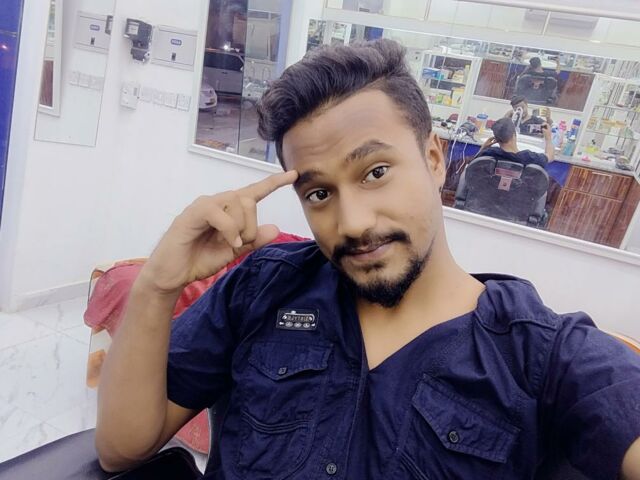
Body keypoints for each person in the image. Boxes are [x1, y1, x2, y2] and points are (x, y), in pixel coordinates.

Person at [95, 39, 640, 480]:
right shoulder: (263, 289)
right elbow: (121, 449)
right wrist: (157, 285)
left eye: (375, 172)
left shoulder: (541, 355)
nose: (352, 223)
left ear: (434, 159)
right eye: (319, 194)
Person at [478, 117, 555, 168]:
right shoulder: (529, 157)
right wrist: (548, 138)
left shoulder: (489, 153)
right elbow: (550, 156)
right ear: (514, 135)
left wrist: (483, 148)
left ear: (496, 139)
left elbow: (473, 167)